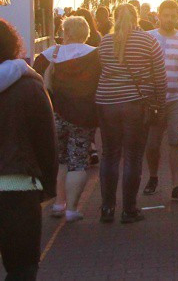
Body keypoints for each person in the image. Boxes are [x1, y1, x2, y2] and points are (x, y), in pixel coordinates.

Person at [95, 4, 166, 223]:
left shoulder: (105, 41)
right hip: (136, 103)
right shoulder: (148, 41)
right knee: (133, 157)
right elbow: (159, 75)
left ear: (114, 18)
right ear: (137, 18)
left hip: (106, 102)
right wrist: (160, 103)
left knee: (110, 156)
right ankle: (129, 209)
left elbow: (100, 68)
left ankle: (107, 208)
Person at [0, 19, 57, 281]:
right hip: (18, 187)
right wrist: (47, 186)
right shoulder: (29, 85)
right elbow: (46, 140)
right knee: (22, 268)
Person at [32, 16, 100, 223]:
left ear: (65, 32)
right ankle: (72, 208)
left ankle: (58, 203)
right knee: (78, 162)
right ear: (86, 33)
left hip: (53, 115)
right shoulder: (95, 55)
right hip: (83, 117)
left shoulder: (46, 56)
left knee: (60, 160)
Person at [143, 0, 178, 203]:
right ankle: (153, 177)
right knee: (152, 143)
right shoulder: (148, 38)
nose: (170, 19)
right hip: (154, 101)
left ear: (177, 16)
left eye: (173, 15)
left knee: (177, 142)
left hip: (177, 99)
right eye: (166, 15)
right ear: (159, 16)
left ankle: (176, 186)